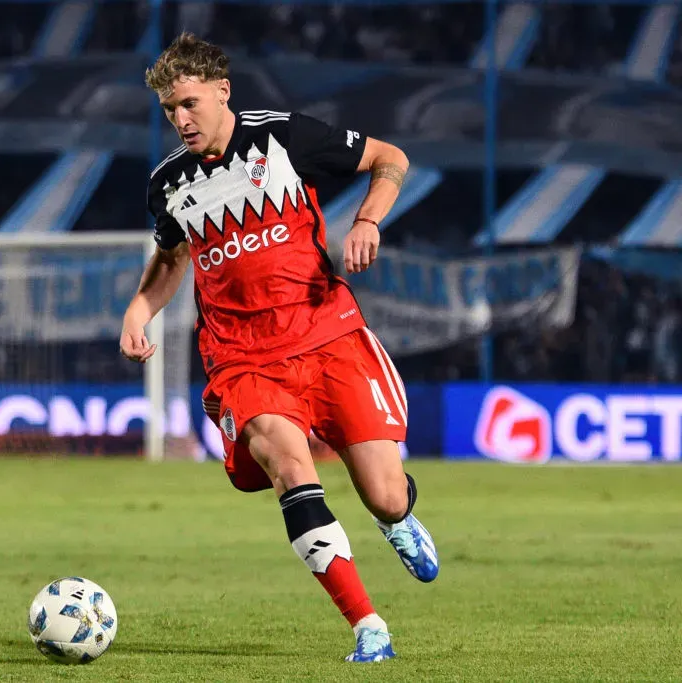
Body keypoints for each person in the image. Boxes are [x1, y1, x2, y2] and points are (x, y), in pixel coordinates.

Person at [120, 33, 439, 663]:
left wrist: (369, 219)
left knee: (382, 492)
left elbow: (391, 158)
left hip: (329, 337)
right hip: (242, 360)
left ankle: (397, 516)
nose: (180, 119)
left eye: (188, 104)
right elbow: (170, 254)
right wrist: (139, 307)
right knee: (290, 467)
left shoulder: (283, 138)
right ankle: (367, 625)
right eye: (168, 110)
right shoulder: (167, 184)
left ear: (222, 91)